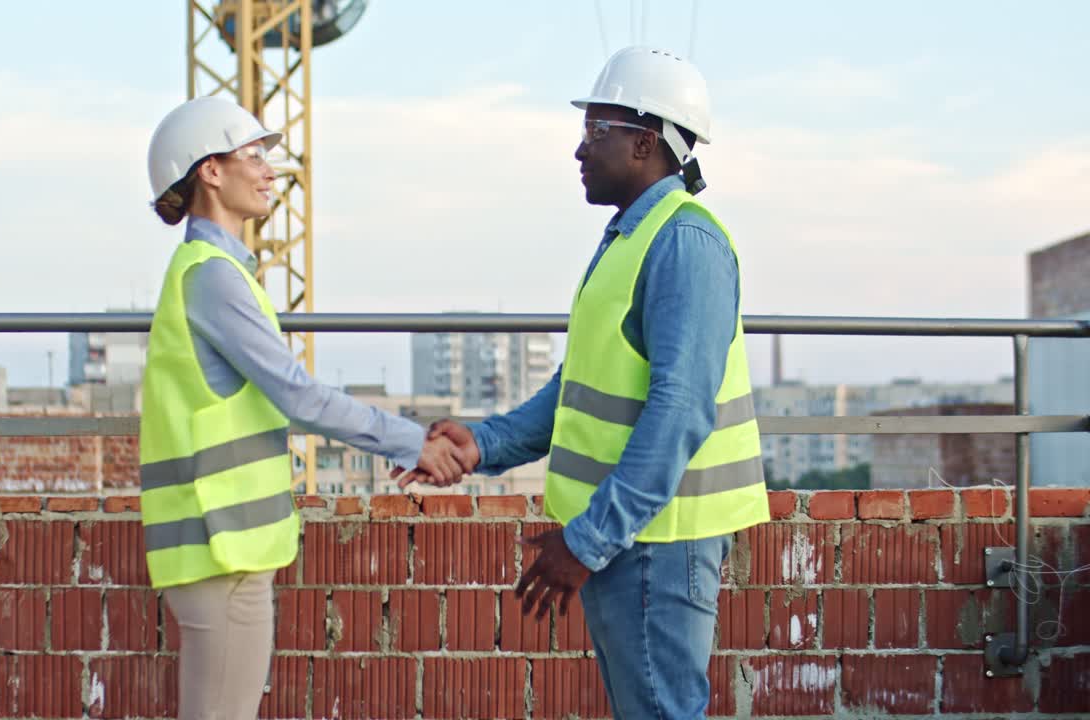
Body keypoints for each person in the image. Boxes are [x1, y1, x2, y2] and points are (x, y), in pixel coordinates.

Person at [397, 47, 770, 719]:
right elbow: (581, 385)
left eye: (596, 130)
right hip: (626, 534)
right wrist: (484, 444)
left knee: (660, 710)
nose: (579, 149)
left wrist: (588, 540)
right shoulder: (632, 237)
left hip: (656, 539)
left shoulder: (685, 244)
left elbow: (680, 411)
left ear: (645, 143)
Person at [138, 96, 469, 720]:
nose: (270, 171)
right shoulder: (211, 276)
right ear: (210, 171)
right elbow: (299, 394)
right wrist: (409, 442)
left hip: (222, 549)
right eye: (255, 156)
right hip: (221, 550)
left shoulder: (214, 270)